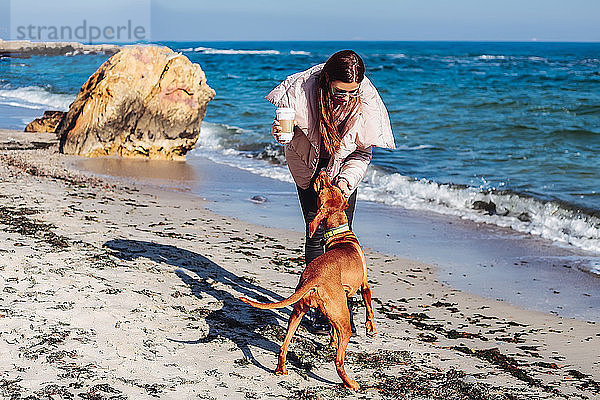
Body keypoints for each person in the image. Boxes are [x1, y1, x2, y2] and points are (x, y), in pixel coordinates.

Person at [265, 50, 395, 334]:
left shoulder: (365, 102)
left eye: (352, 92)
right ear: (327, 80)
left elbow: (362, 152)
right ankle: (316, 303)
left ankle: (340, 297)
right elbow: (287, 133)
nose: (346, 98)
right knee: (314, 231)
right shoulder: (302, 90)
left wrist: (345, 185)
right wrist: (279, 132)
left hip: (343, 173)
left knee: (340, 236)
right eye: (340, 92)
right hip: (308, 167)